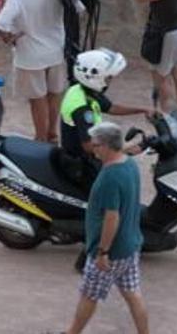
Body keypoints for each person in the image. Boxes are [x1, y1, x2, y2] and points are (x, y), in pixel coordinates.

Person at [64, 122, 149, 334]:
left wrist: (103, 252)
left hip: (111, 253)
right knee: (132, 294)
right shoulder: (129, 164)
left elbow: (112, 218)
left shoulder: (110, 177)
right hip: (130, 246)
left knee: (88, 296)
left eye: (96, 145)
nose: (93, 149)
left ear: (108, 146)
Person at [0, 0, 81, 142]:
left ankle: (40, 138)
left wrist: (12, 39)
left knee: (37, 98)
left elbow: (1, 25)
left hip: (30, 55)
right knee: (55, 92)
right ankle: (52, 133)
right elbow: (78, 9)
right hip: (56, 51)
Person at [60, 49, 153, 191]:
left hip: (83, 156)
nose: (110, 80)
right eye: (108, 77)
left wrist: (142, 109)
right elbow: (90, 147)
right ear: (95, 78)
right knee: (116, 189)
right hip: (82, 166)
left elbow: (111, 107)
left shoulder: (81, 89)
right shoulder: (83, 108)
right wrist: (126, 149)